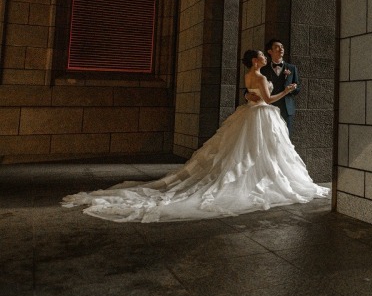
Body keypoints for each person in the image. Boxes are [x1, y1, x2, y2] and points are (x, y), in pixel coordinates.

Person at [61, 49, 329, 222]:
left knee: (245, 154)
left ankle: (257, 177)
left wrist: (254, 96)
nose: (263, 57)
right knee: (255, 154)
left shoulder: (249, 75)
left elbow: (252, 95)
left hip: (249, 114)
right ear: (256, 60)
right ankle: (260, 180)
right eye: (260, 55)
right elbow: (268, 99)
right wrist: (287, 90)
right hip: (261, 115)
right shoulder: (259, 76)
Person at [245, 38, 299, 135]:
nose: (281, 49)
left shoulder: (292, 68)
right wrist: (247, 95)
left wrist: (293, 89)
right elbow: (250, 88)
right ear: (270, 51)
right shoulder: (262, 69)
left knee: (285, 140)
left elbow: (298, 88)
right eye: (277, 47)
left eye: (282, 47)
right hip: (267, 110)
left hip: (286, 109)